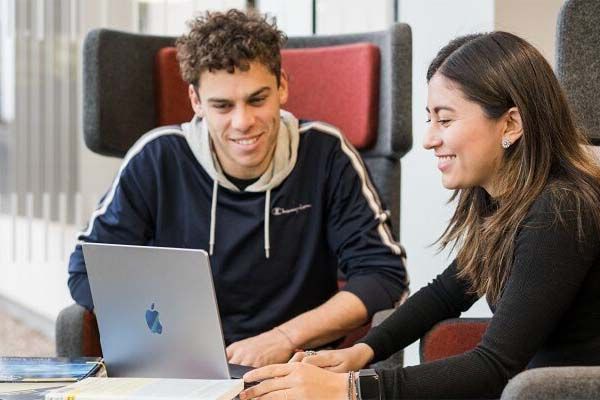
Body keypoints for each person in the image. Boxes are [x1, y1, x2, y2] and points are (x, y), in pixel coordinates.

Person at [241, 31, 600, 399]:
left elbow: (494, 365)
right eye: (430, 119)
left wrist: (349, 389)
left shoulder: (561, 208)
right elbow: (446, 294)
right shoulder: (505, 201)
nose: (429, 139)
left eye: (444, 121)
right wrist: (361, 352)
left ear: (510, 124)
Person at [67, 9, 408, 368]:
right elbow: (87, 272)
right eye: (222, 106)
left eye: (257, 99)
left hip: (298, 368)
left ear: (282, 86)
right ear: (196, 102)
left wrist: (284, 338)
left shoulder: (327, 153)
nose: (243, 122)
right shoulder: (156, 158)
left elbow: (383, 275)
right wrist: (175, 343)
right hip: (183, 370)